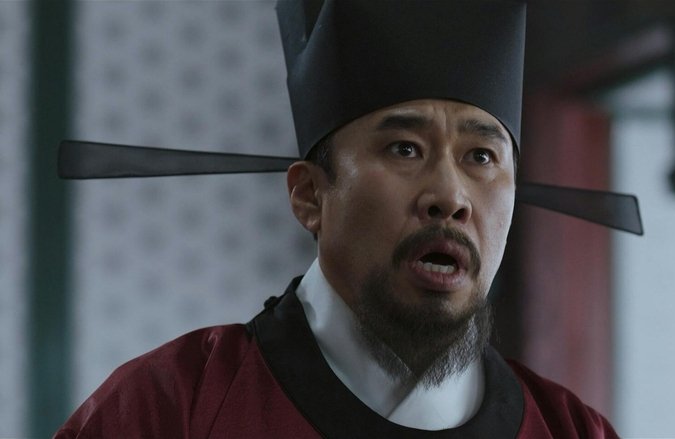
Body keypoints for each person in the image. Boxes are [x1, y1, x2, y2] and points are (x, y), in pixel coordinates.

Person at [55, 1, 641, 437]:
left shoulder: (572, 430)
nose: (449, 196)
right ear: (310, 195)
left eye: (481, 157)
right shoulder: (171, 408)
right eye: (405, 149)